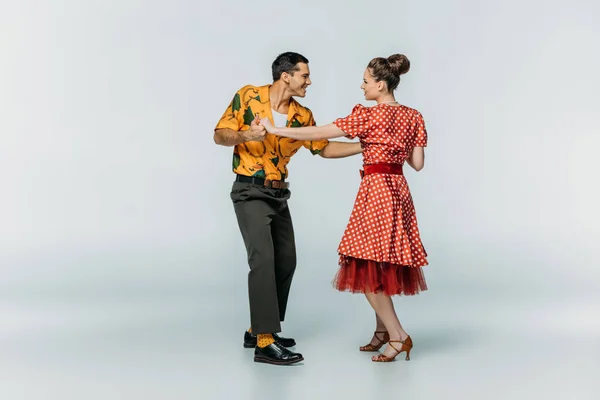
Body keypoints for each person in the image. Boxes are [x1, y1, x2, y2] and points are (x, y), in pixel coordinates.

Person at [260, 53, 428, 362]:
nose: (362, 86)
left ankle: (398, 336)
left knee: (365, 265)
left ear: (380, 84)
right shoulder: (414, 116)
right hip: (399, 192)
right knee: (380, 262)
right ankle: (382, 333)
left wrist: (278, 130)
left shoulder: (367, 115)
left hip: (376, 193)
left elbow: (321, 132)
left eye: (365, 81)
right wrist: (392, 147)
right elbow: (416, 164)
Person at [214, 52, 362, 365]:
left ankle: (258, 328)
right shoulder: (248, 97)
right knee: (263, 260)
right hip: (249, 189)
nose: (309, 81)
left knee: (287, 261)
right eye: (304, 76)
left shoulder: (302, 115)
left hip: (279, 195)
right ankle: (265, 343)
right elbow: (220, 135)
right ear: (286, 76)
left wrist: (365, 147)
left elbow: (323, 148)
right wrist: (246, 134)